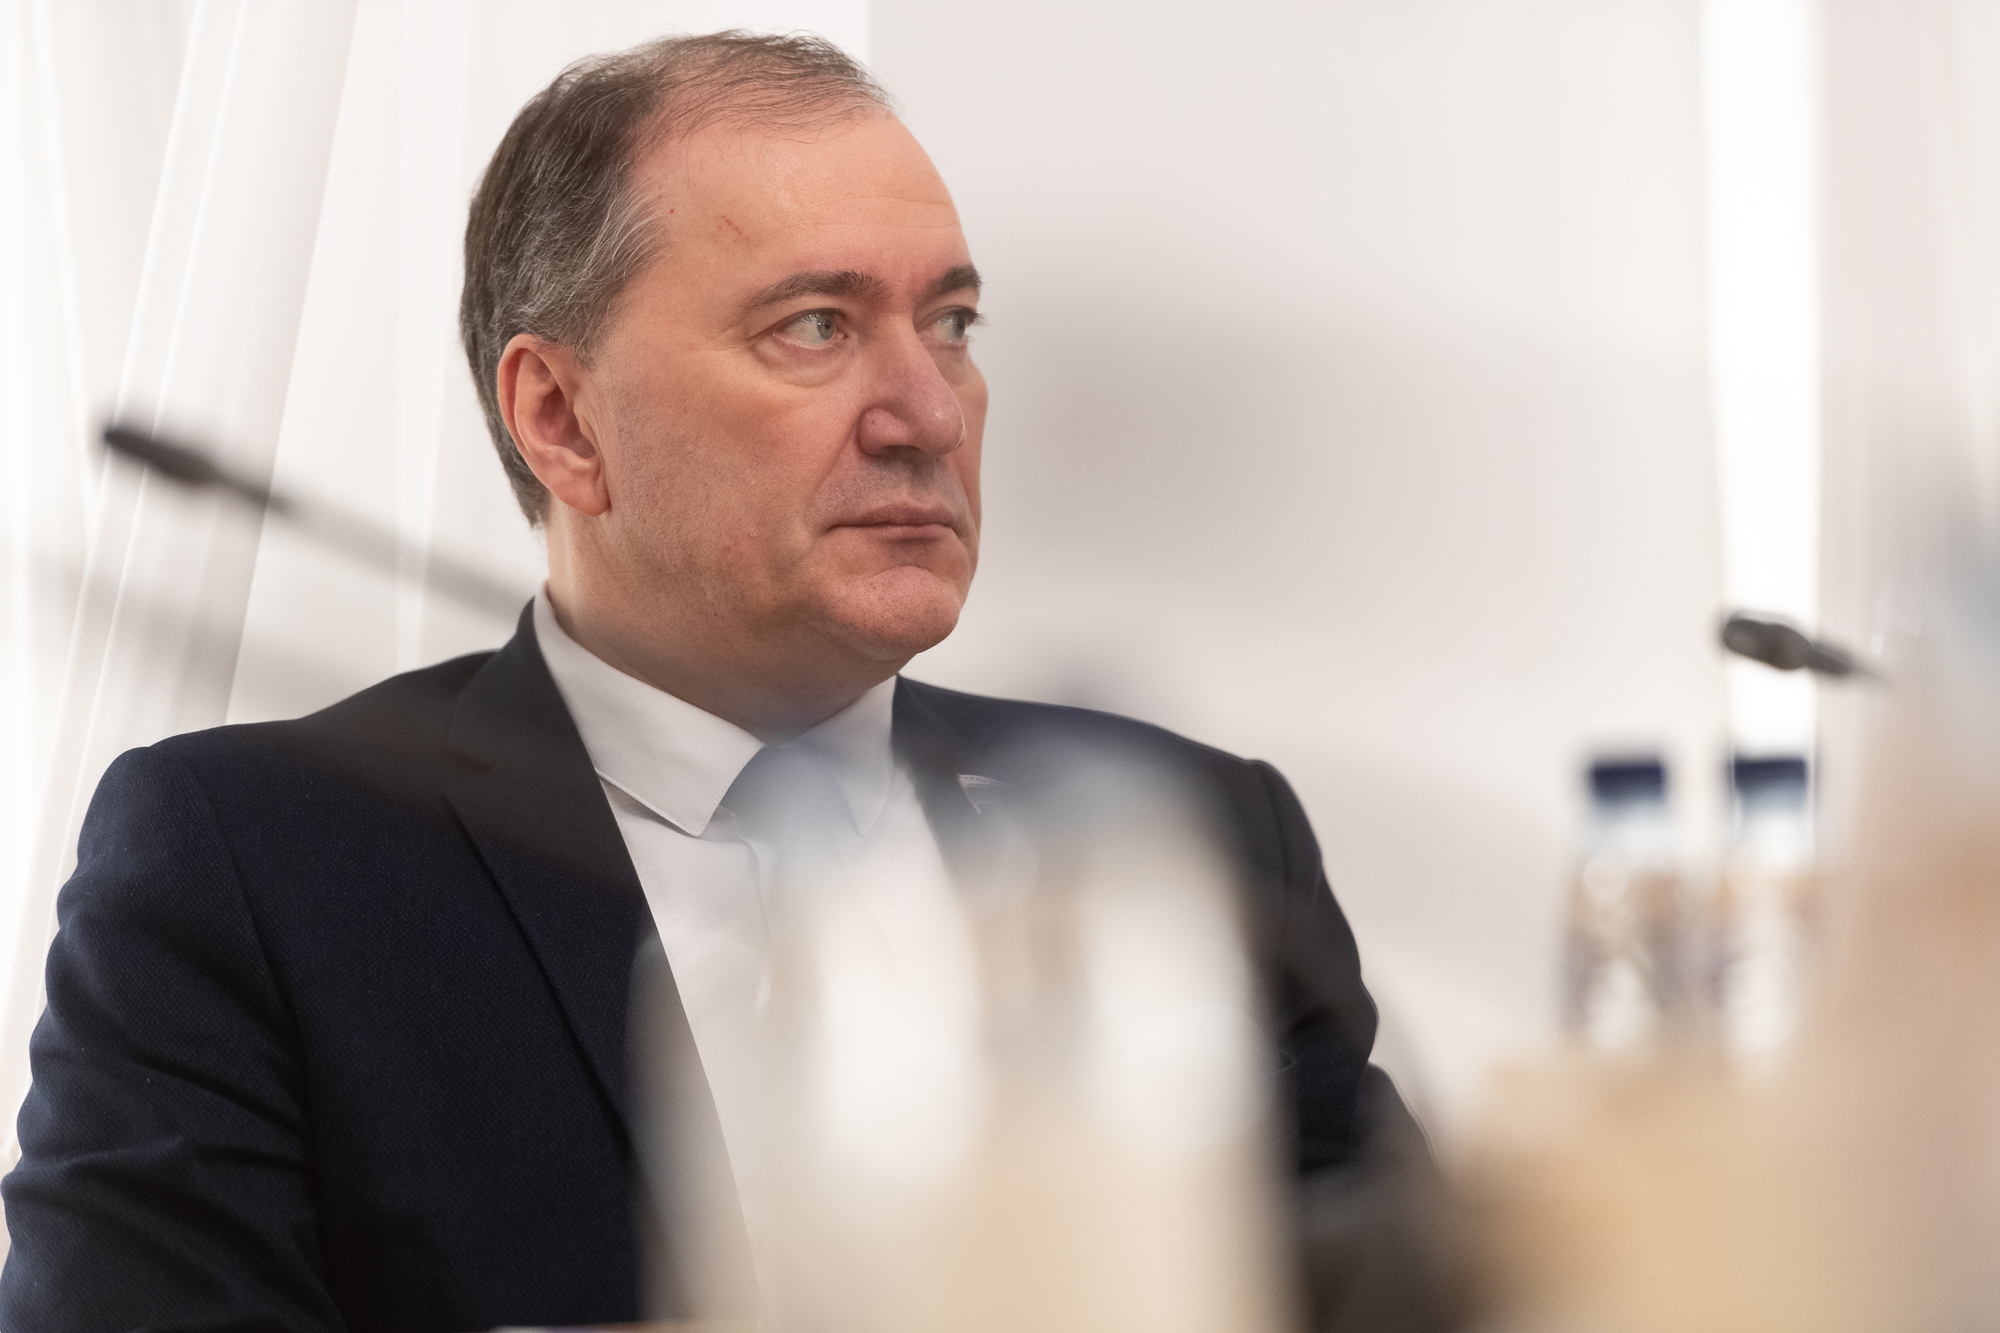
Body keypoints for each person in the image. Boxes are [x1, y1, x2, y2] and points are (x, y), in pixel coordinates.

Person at [0, 32, 1424, 1333]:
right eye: (815, 326)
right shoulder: (253, 864)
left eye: (951, 323)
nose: (930, 412)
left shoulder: (1191, 829)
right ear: (562, 419)